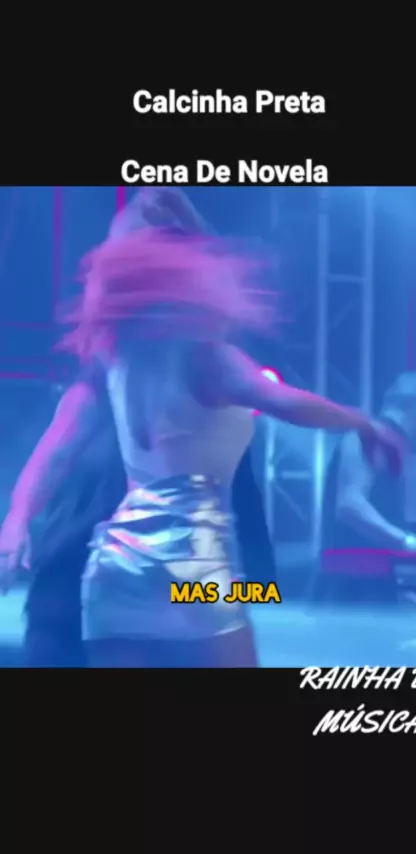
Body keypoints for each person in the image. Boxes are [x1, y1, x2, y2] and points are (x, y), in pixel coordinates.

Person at [1, 215, 405, 668]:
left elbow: (54, 452)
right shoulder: (209, 359)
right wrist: (363, 423)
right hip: (191, 560)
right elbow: (284, 400)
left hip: (114, 563)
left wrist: (15, 522)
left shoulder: (114, 367)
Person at [0, 189, 276, 668]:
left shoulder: (210, 357)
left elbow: (214, 273)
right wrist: (16, 521)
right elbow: (55, 451)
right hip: (91, 555)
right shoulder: (108, 367)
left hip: (191, 560)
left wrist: (180, 211)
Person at [319, 371, 416, 601]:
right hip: (347, 594)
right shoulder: (368, 438)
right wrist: (409, 542)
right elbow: (349, 506)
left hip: (371, 589)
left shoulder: (390, 448)